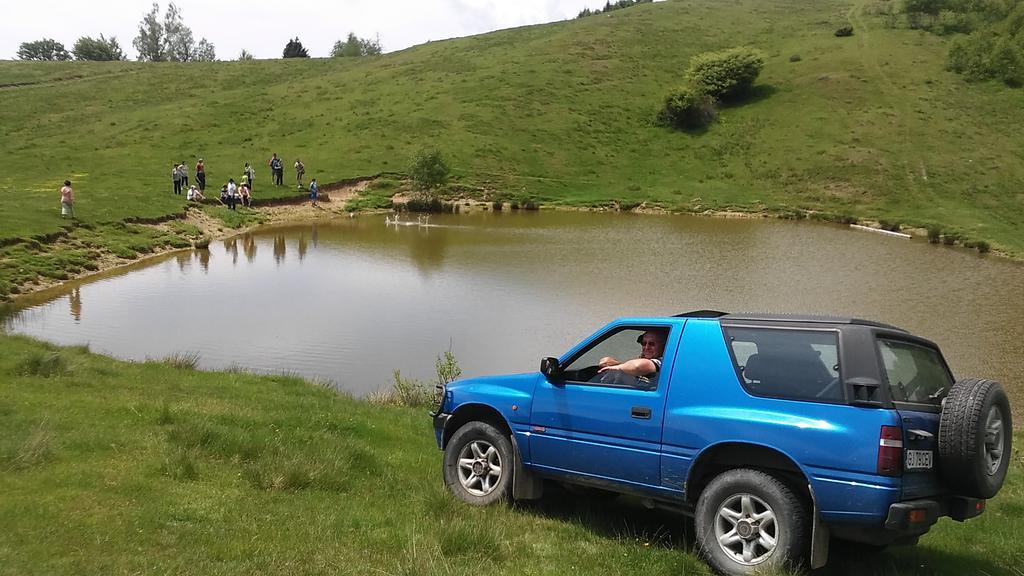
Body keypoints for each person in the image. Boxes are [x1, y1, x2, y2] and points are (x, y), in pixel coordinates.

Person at [598, 329, 667, 378]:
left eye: (652, 344)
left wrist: (617, 367)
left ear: (663, 346)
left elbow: (637, 366)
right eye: (644, 343)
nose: (646, 347)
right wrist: (615, 365)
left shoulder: (662, 362)